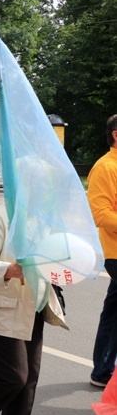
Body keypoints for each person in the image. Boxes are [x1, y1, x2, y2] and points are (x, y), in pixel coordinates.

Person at [0, 204, 67, 415]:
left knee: (28, 382)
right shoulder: (0, 217)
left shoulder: (47, 219)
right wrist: (9, 270)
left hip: (33, 307)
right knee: (13, 375)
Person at [88, 114, 117, 388]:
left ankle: (103, 371)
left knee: (113, 311)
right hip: (116, 253)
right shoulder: (105, 167)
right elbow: (100, 215)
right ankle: (104, 369)